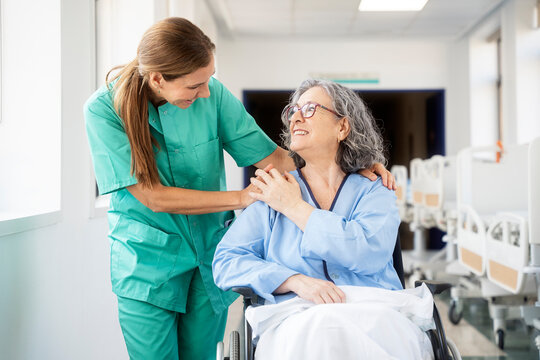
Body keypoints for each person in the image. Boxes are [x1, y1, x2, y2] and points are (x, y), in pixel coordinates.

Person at [84, 17, 394, 360]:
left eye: (310, 110)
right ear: (158, 79)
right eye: (195, 86)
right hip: (147, 262)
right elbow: (151, 196)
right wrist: (247, 200)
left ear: (342, 126)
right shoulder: (103, 110)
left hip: (208, 252)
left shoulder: (368, 192)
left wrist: (355, 160)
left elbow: (273, 157)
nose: (206, 92)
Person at [212, 79, 434, 359]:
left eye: (310, 108)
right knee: (321, 327)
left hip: (375, 310)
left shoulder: (375, 189)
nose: (295, 117)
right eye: (293, 110)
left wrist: (294, 207)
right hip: (296, 315)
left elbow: (367, 252)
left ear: (342, 127)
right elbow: (226, 261)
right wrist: (291, 280)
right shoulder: (272, 191)